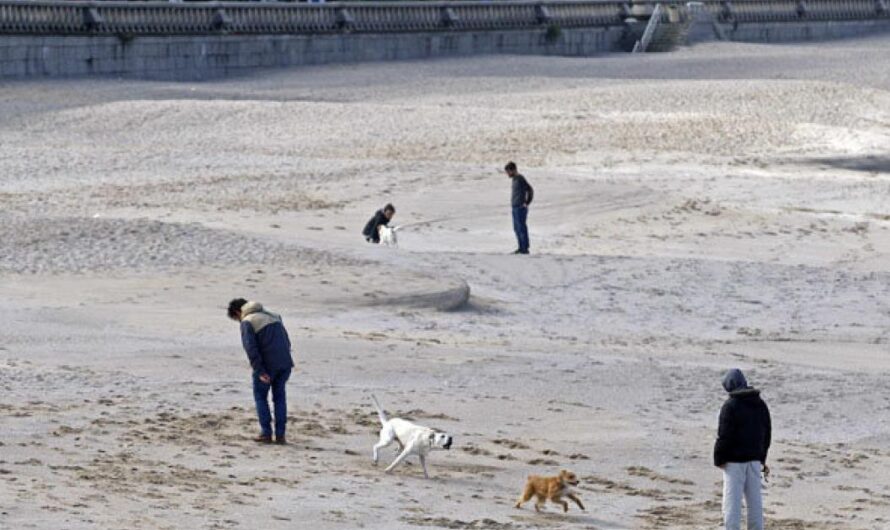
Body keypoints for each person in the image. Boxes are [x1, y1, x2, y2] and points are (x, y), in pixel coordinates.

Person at [227, 298, 294, 445]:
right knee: (280, 398)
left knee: (260, 397)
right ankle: (281, 435)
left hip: (267, 366)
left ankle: (266, 433)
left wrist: (259, 370)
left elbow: (251, 348)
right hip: (285, 364)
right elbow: (287, 341)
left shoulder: (248, 322)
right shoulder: (275, 316)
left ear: (238, 312)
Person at [714, 369, 772, 530]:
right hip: (754, 459)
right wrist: (762, 458)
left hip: (733, 461)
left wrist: (718, 459)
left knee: (732, 501)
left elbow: (724, 436)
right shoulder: (760, 404)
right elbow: (767, 432)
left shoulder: (730, 405)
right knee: (755, 501)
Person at [505, 161, 533, 254]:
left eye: (508, 171)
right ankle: (521, 247)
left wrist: (527, 202)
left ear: (513, 170)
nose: (507, 174)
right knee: (516, 228)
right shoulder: (515, 179)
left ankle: (524, 248)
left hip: (520, 207)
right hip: (515, 207)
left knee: (521, 228)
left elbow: (530, 189)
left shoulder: (520, 179)